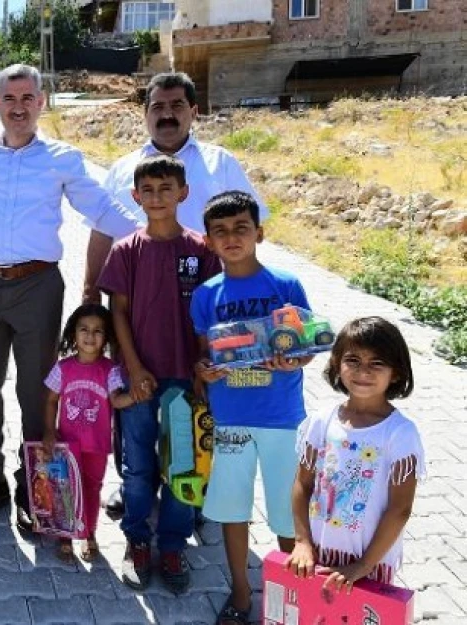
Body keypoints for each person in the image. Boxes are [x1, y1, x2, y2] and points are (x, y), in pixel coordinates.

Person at [0, 64, 141, 532]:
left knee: (38, 392)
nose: (18, 107)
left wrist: (156, 233)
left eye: (27, 98)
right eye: (9, 98)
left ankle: (36, 485)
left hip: (38, 288)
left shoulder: (62, 159)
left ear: (41, 103)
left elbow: (101, 209)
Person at [86, 72, 265, 522]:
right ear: (144, 112)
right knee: (137, 423)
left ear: (193, 111)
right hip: (139, 316)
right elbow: (102, 231)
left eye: (176, 106)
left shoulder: (220, 163)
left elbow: (252, 226)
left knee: (194, 421)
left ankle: (191, 498)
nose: (167, 115)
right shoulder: (124, 168)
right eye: (157, 107)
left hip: (202, 321)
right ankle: (134, 493)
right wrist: (91, 292)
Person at [97, 155, 222, 594]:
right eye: (147, 190)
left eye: (165, 188)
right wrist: (133, 367)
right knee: (137, 465)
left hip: (185, 381)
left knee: (182, 468)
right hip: (140, 378)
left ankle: (172, 543)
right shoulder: (126, 250)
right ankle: (137, 539)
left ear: (183, 193)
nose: (156, 198)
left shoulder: (202, 251)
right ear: (135, 196)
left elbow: (209, 315)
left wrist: (203, 369)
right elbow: (119, 312)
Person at [189, 191, 315, 623]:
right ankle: (241, 594)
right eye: (220, 232)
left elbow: (308, 347)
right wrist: (204, 371)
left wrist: (295, 358)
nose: (232, 238)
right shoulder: (206, 295)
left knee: (288, 514)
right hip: (231, 421)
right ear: (208, 241)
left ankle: (291, 600)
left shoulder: (285, 285)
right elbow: (204, 355)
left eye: (241, 228)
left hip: (282, 419)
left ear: (259, 232)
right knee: (231, 509)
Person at [286, 317, 424, 596]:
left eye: (377, 363)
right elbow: (303, 485)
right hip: (318, 553)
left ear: (396, 372)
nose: (363, 371)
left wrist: (363, 565)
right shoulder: (320, 422)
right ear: (336, 364)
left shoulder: (400, 434)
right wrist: (302, 541)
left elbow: (400, 509)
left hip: (369, 563)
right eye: (353, 360)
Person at [41, 303, 132, 562]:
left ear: (106, 337)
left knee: (92, 489)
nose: (90, 336)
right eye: (84, 329)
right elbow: (50, 400)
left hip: (97, 447)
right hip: (65, 447)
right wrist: (49, 431)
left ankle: (89, 534)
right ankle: (65, 535)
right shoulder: (63, 368)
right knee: (64, 488)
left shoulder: (111, 370)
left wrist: (135, 396)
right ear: (73, 333)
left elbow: (116, 400)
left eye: (97, 331)